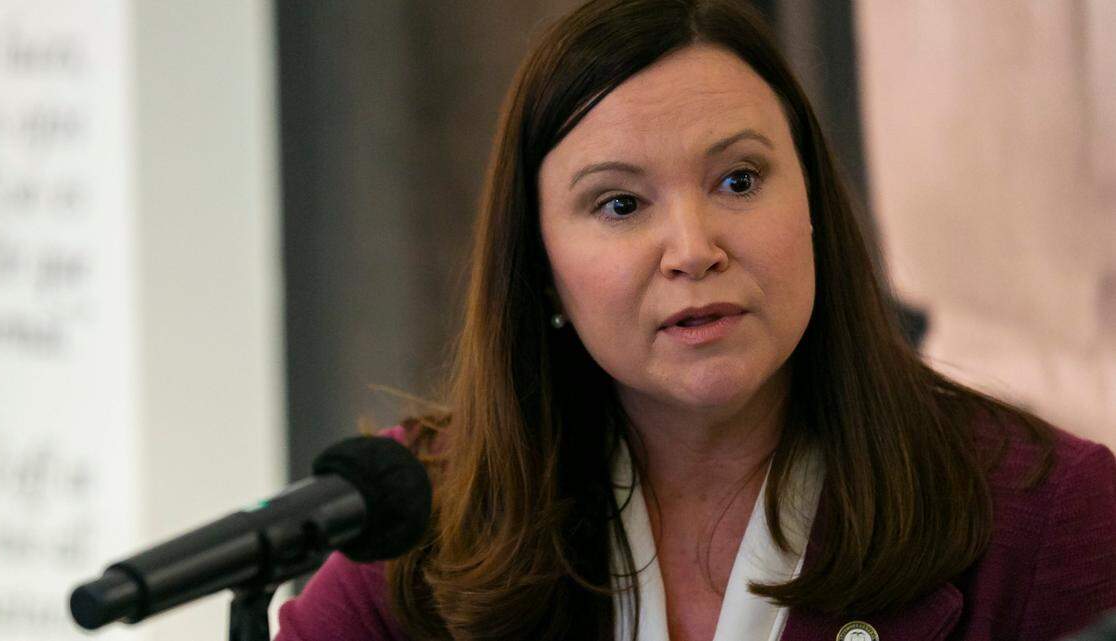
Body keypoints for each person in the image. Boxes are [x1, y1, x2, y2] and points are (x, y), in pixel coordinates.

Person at [275, 1, 1116, 640]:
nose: (693, 246)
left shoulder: (1046, 518)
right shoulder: (424, 515)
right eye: (619, 203)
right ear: (540, 266)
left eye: (739, 181)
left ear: (816, 204)